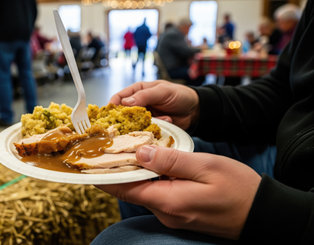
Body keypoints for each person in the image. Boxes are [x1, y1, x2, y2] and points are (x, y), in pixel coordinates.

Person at [92, 1, 314, 244]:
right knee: (137, 173)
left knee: (118, 239)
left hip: (297, 207)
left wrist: (275, 213)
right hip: (282, 151)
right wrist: (198, 105)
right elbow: (282, 90)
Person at [0, 0, 38, 127]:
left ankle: (6, 117)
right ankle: (34, 114)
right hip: (24, 36)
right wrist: (28, 30)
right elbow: (34, 10)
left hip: (3, 35)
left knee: (3, 77)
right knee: (27, 75)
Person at [156, 18, 200, 85]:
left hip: (171, 66)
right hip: (172, 70)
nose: (189, 31)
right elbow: (186, 51)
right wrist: (201, 49)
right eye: (189, 28)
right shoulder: (174, 34)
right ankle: (190, 93)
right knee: (199, 74)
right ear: (184, 26)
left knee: (196, 70)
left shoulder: (173, 32)